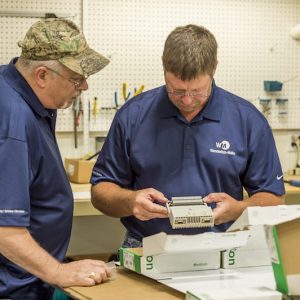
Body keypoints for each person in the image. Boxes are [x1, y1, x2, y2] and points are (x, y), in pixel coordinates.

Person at [90, 24, 285, 248]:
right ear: (164, 69)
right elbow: (100, 191)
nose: (187, 100)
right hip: (145, 247)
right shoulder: (132, 115)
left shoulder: (248, 120)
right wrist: (130, 201)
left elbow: (273, 198)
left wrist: (239, 209)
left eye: (197, 90)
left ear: (214, 69)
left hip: (224, 247)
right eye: (177, 90)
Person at [0, 18, 111, 299]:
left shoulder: (26, 95)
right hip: (14, 289)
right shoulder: (13, 120)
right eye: (76, 78)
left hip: (28, 279)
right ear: (41, 75)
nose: (84, 86)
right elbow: (5, 230)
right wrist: (59, 273)